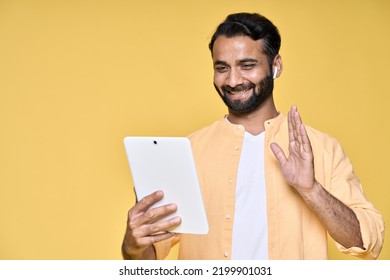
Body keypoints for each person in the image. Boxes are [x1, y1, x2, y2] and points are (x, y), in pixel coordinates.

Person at [121, 12, 384, 260]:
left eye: (247, 65)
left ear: (275, 65)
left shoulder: (322, 148)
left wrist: (311, 190)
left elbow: (367, 242)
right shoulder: (187, 151)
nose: (233, 80)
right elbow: (147, 259)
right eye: (222, 68)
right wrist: (133, 243)